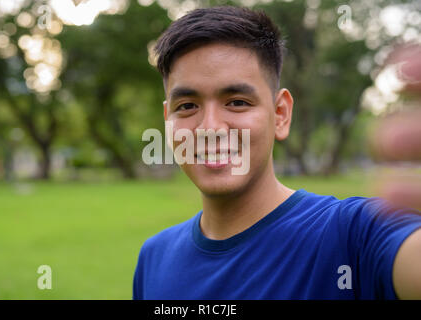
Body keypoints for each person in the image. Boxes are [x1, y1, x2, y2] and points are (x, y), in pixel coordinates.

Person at [133, 6, 421, 299]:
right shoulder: (154, 257)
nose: (210, 128)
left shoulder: (352, 236)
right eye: (187, 106)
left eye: (237, 102)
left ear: (280, 114)